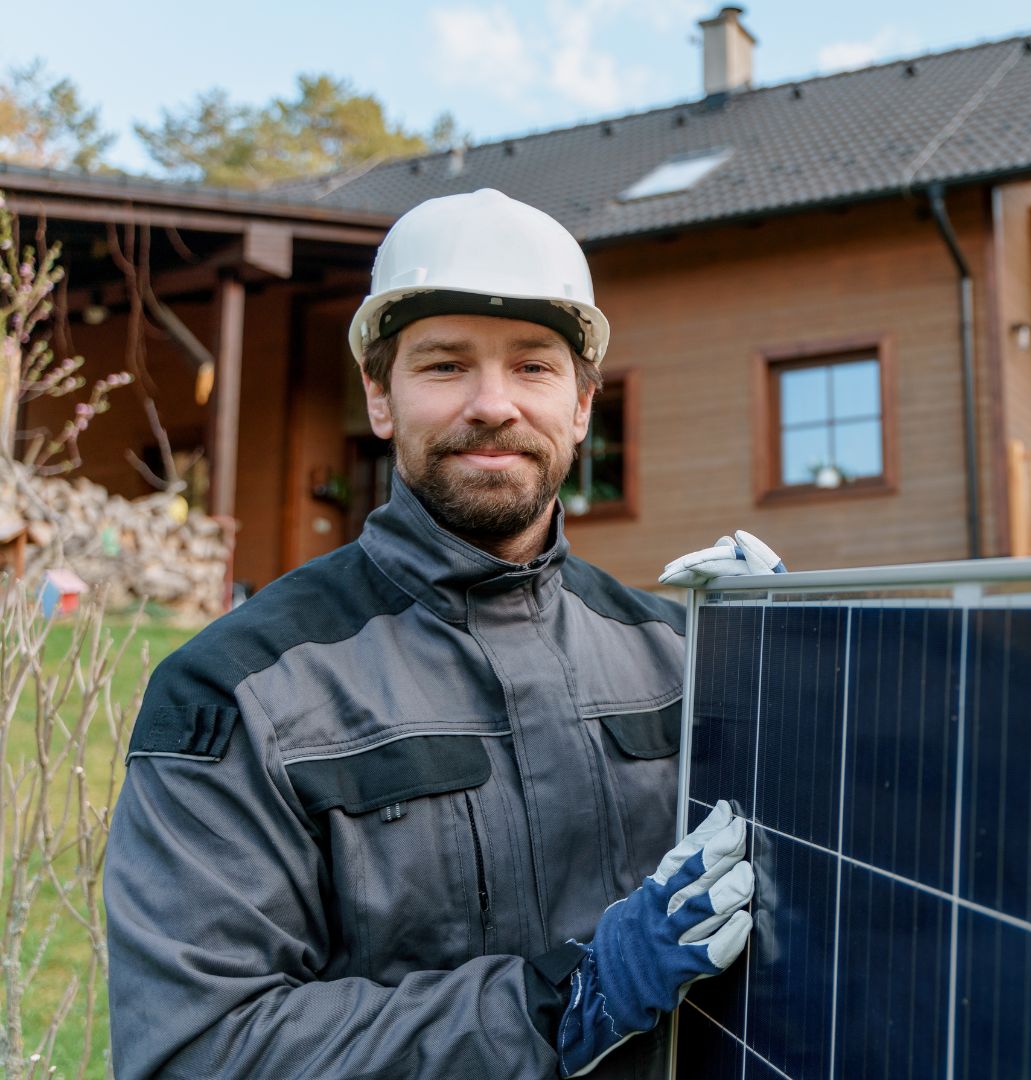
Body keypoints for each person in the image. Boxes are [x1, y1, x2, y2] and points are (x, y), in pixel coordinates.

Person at [105, 189, 786, 1078]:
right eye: (444, 366)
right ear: (380, 399)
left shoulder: (680, 655)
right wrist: (565, 1001)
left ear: (582, 407)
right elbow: (197, 1051)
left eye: (534, 368)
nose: (492, 405)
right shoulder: (241, 692)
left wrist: (794, 665)